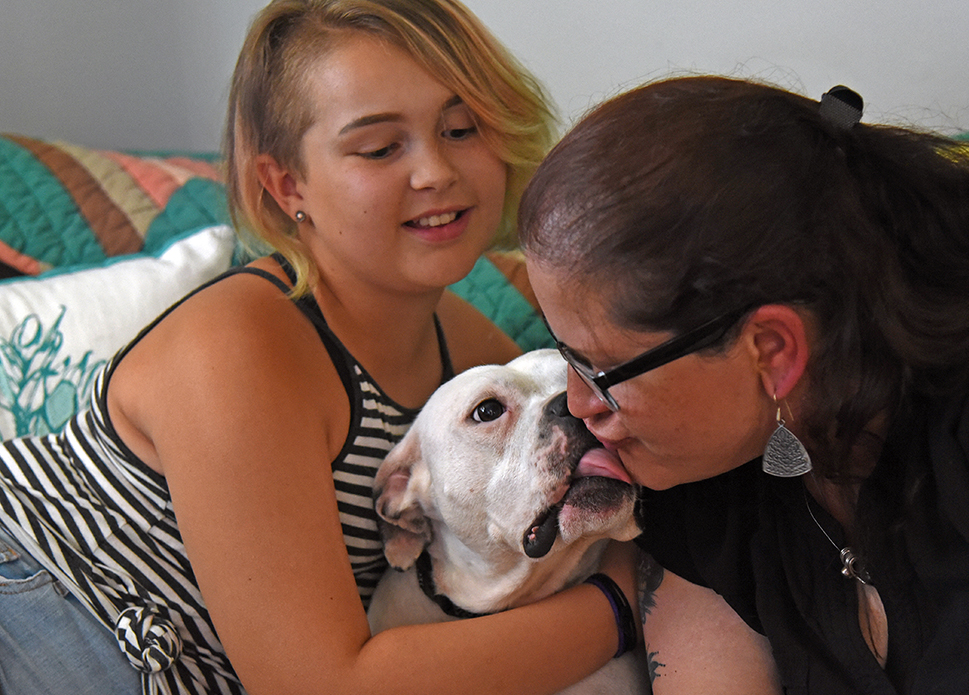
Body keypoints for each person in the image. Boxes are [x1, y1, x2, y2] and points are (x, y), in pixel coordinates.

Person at [0, 1, 641, 693]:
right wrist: (620, 602)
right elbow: (319, 684)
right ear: (287, 185)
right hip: (44, 605)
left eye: (461, 128)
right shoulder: (240, 344)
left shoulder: (469, 352)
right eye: (379, 147)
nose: (435, 171)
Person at [518, 75, 969, 694]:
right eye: (562, 353)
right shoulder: (694, 479)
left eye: (599, 371)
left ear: (772, 350)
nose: (579, 407)